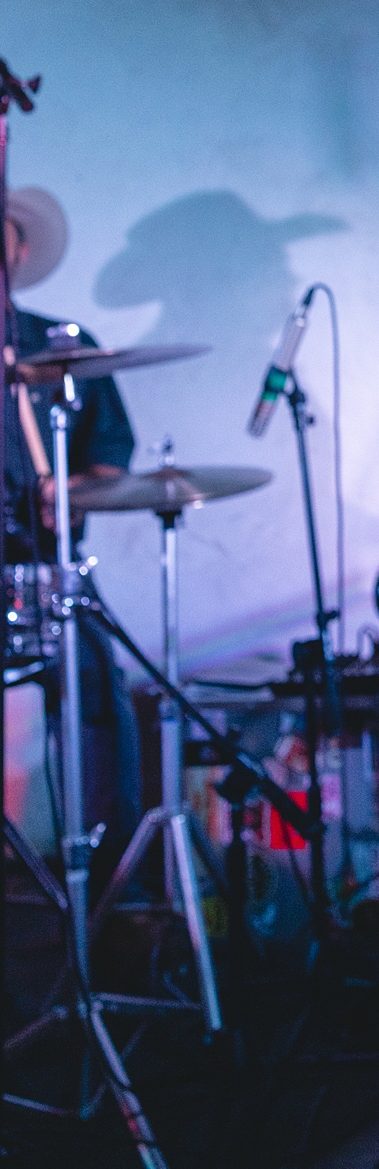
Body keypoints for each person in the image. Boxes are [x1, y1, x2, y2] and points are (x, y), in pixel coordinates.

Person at [4, 187, 142, 870]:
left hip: (44, 573)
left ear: (18, 246)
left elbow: (113, 460)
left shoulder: (62, 349)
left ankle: (116, 882)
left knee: (98, 690)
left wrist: (73, 491)